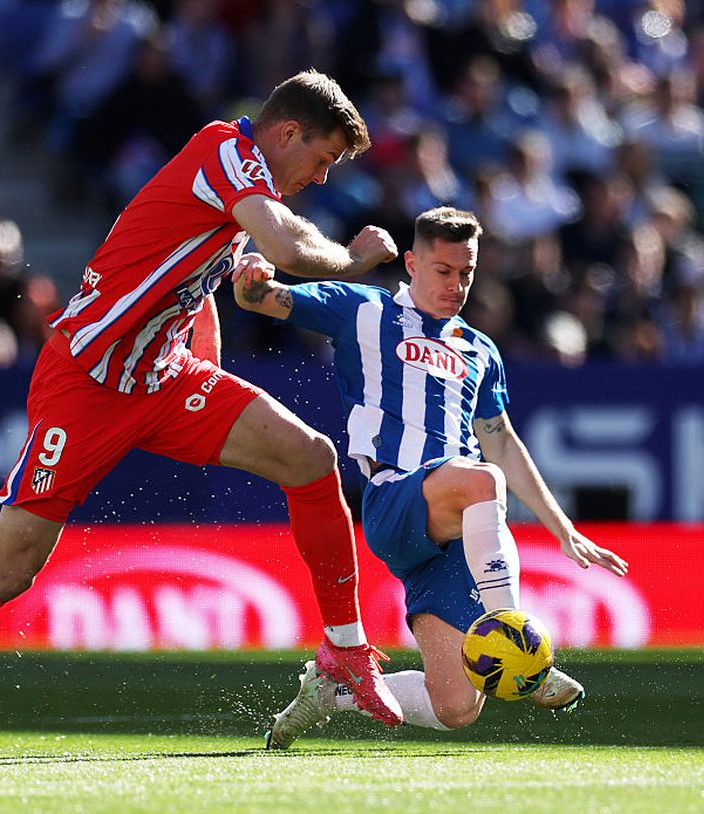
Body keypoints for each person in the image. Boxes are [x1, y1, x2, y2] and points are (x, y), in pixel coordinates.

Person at [0, 70, 405, 762]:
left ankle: (343, 650)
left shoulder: (239, 181)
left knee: (311, 458)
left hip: (162, 377)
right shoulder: (227, 152)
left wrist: (212, 355)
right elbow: (292, 247)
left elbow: (202, 281)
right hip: (85, 385)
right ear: (288, 133)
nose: (322, 177)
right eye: (322, 159)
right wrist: (353, 260)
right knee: (10, 568)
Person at [231, 206, 629, 748]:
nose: (456, 284)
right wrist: (251, 277)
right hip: (395, 498)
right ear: (413, 263)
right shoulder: (362, 309)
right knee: (482, 481)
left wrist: (563, 529)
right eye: (443, 271)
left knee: (456, 707)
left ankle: (332, 692)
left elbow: (503, 439)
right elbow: (257, 299)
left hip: (452, 537)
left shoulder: (480, 349)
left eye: (466, 272)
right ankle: (519, 642)